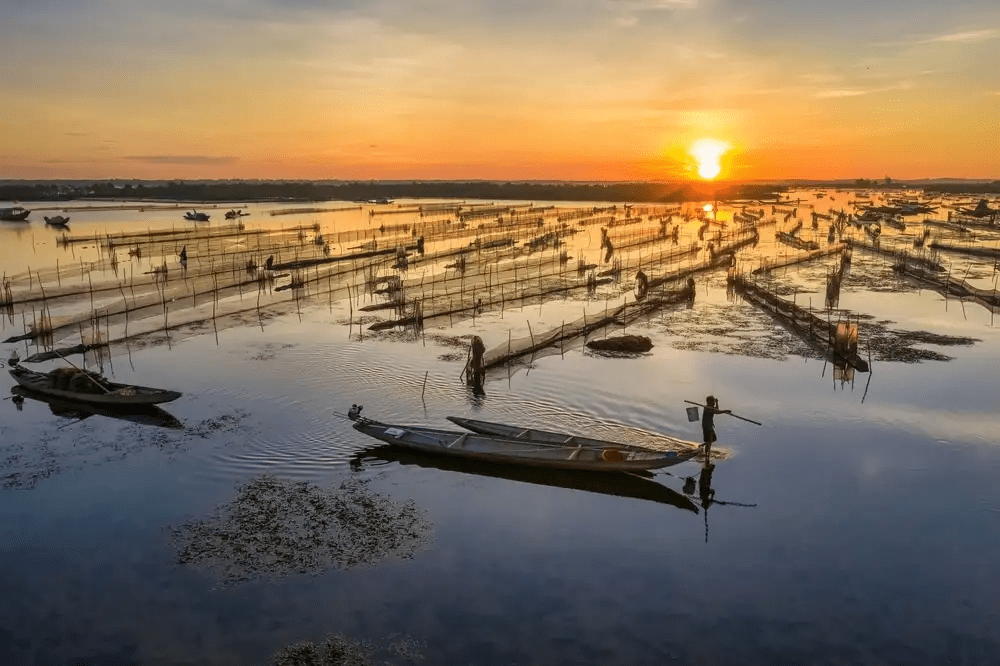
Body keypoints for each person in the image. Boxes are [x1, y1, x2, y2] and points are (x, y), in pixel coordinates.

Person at [701, 395, 730, 459]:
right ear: (708, 402)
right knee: (709, 441)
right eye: (712, 401)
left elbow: (716, 409)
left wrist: (717, 403)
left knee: (713, 439)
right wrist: (726, 411)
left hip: (710, 427)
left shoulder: (711, 407)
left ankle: (704, 445)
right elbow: (718, 412)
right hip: (707, 428)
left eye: (714, 401)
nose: (713, 402)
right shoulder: (707, 408)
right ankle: (706, 455)